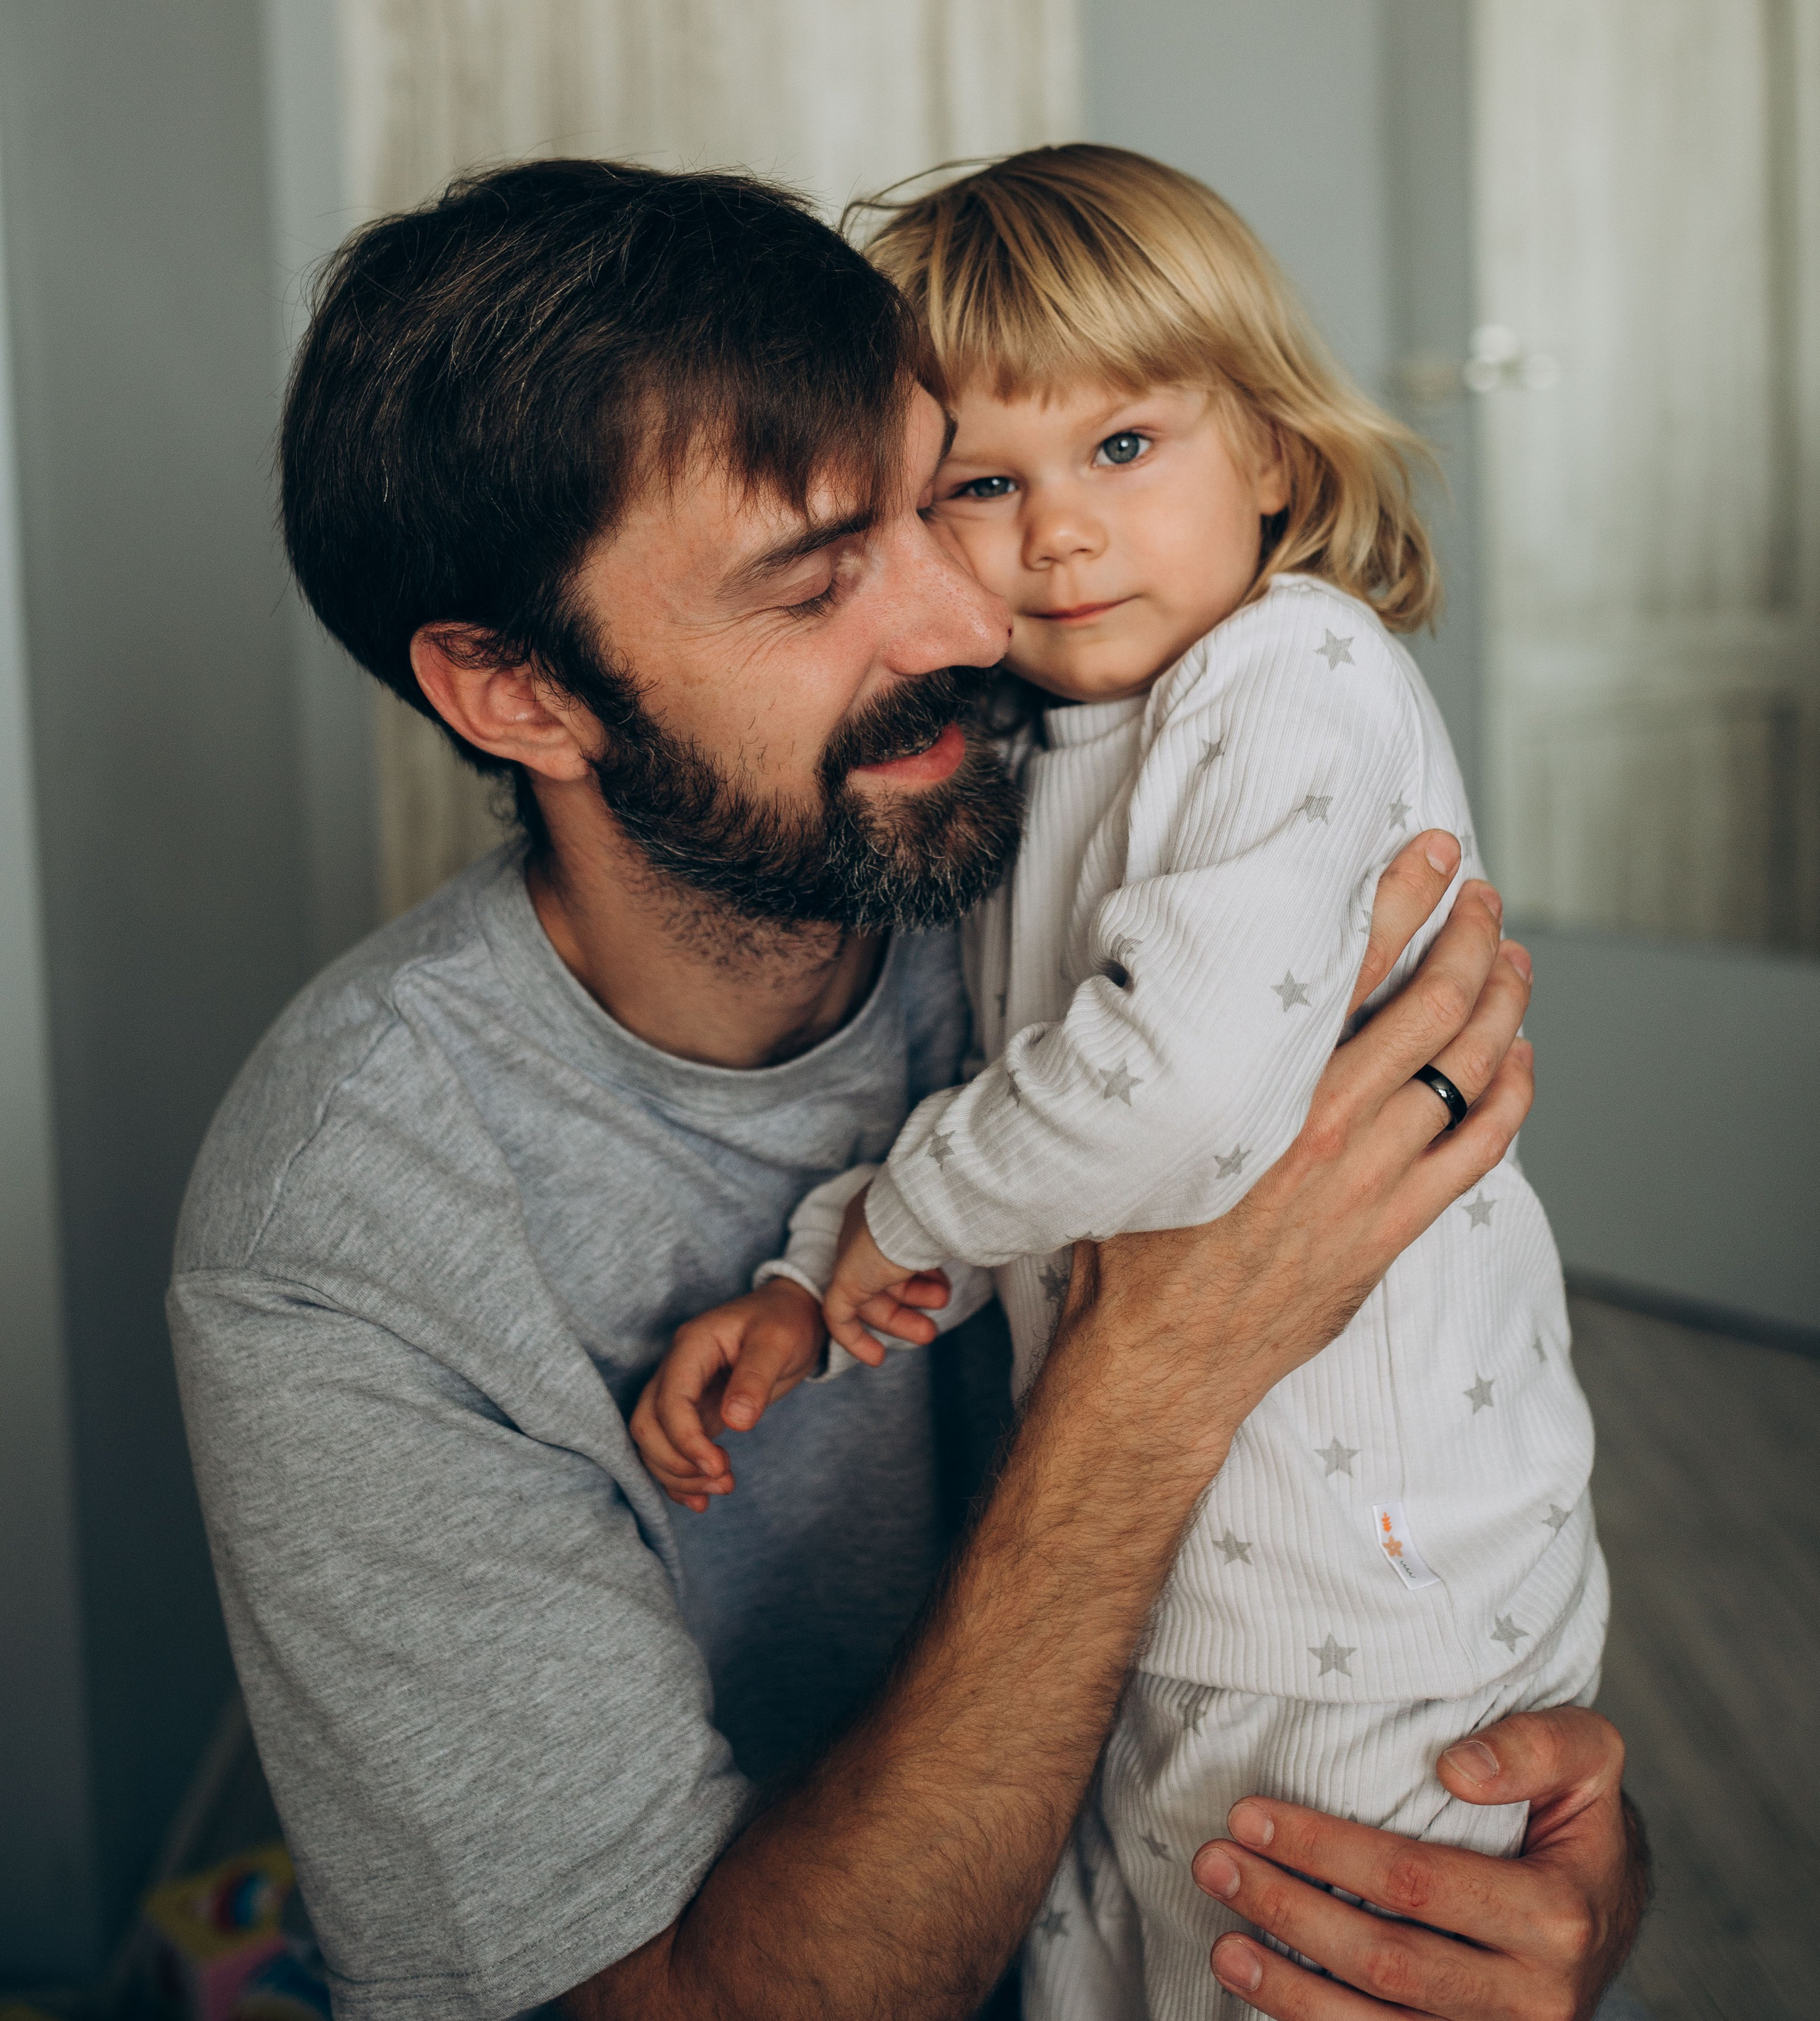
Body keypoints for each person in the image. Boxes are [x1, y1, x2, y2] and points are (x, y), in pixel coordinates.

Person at [169, 159, 1649, 2021]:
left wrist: (1543, 1871)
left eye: (924, 498)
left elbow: (1432, 1442)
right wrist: (1147, 1383)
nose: (971, 613)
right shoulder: (347, 1232)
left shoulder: (1102, 816)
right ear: (519, 694)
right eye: (819, 577)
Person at [633, 146, 1610, 2021]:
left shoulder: (1290, 674)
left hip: (1370, 1609)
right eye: (984, 486)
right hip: (1168, 1584)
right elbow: (1046, 1120)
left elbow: (1176, 1095)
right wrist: (824, 1281)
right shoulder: (1042, 739)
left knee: (1315, 1977)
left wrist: (891, 1210)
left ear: (1274, 453)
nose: (1059, 532)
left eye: (1126, 451)